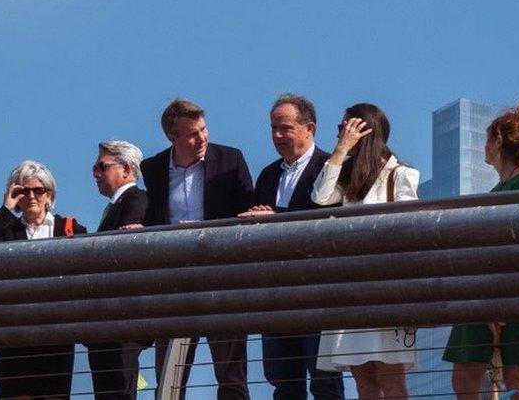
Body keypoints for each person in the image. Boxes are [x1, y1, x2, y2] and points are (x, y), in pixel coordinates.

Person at [141, 98, 255, 400]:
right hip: (173, 283)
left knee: (231, 377)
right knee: (169, 377)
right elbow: (154, 218)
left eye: (204, 129)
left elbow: (249, 211)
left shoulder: (230, 160)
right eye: (192, 134)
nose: (202, 137)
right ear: (172, 137)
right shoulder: (152, 168)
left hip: (221, 279)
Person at [239, 94, 345, 400]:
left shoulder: (330, 167)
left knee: (325, 381)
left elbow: (326, 219)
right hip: (276, 292)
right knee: (283, 382)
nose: (277, 136)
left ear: (309, 128)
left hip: (317, 291)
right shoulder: (268, 175)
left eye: (284, 128)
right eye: (273, 128)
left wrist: (276, 219)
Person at [312, 103, 419, 400]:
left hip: (386, 290)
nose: (341, 133)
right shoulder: (348, 176)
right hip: (351, 291)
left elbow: (408, 230)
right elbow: (320, 197)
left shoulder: (401, 174)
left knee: (392, 381)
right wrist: (341, 149)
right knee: (364, 383)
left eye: (345, 128)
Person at [443, 102, 519, 400]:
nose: (484, 147)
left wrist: (503, 301)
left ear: (498, 140)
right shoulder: (493, 195)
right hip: (479, 295)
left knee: (516, 376)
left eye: (488, 139)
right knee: (464, 375)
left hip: (514, 296)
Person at [0, 160, 88, 400]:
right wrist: (6, 207)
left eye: (38, 190)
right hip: (16, 333)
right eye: (23, 191)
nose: (31, 196)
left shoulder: (70, 229)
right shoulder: (7, 231)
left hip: (57, 333)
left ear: (49, 194)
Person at [87, 141, 150, 400]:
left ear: (126, 169)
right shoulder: (115, 205)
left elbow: (125, 250)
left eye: (102, 166)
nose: (96, 174)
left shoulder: (136, 199)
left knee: (118, 391)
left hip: (121, 318)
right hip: (107, 321)